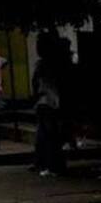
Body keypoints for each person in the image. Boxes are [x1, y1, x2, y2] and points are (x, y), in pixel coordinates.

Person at [32, 35, 68, 176]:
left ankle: (52, 165)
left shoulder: (43, 65)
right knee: (50, 135)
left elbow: (36, 84)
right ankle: (50, 164)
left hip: (46, 101)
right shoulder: (58, 63)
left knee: (49, 136)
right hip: (53, 101)